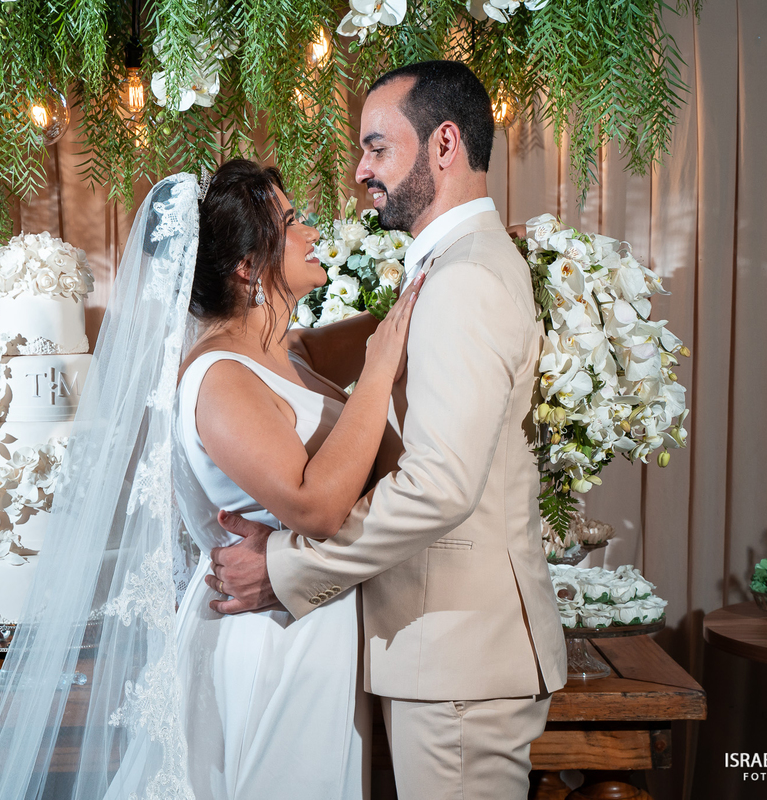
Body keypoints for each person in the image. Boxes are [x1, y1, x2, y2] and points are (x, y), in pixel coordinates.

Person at [0, 160, 420, 800]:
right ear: (245, 266)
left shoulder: (286, 352)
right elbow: (316, 508)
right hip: (274, 642)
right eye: (290, 223)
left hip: (315, 627)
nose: (312, 231)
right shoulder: (221, 379)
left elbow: (398, 326)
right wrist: (376, 377)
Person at [209, 61, 568, 799]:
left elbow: (438, 488)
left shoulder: (464, 277)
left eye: (376, 148)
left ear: (443, 145)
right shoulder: (454, 264)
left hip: (458, 659)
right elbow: (301, 359)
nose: (359, 171)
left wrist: (285, 567)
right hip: (440, 651)